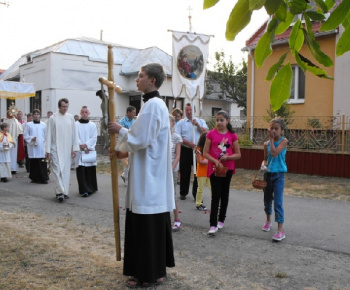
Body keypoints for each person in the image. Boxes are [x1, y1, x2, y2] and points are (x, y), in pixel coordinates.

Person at [107, 63, 175, 288]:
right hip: (148, 171)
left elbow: (142, 138)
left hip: (150, 178)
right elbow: (147, 142)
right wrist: (122, 152)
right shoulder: (153, 105)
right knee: (148, 224)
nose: (137, 79)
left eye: (141, 76)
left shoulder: (154, 105)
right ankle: (152, 270)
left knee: (147, 224)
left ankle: (147, 273)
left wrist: (120, 130)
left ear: (152, 80)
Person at [203, 110, 241, 235]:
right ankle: (212, 224)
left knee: (225, 194)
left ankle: (221, 220)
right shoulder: (210, 134)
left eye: (222, 120)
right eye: (217, 120)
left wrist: (228, 157)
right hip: (214, 169)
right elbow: (205, 153)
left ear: (227, 121)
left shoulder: (232, 135)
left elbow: (238, 154)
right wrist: (215, 161)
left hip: (227, 168)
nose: (219, 122)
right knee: (215, 195)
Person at [45, 98, 79, 202]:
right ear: (59, 107)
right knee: (56, 170)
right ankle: (60, 191)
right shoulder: (53, 118)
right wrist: (48, 150)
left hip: (67, 148)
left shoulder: (70, 118)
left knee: (65, 171)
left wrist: (74, 148)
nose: (65, 108)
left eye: (66, 106)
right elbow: (49, 134)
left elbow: (74, 134)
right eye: (63, 106)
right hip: (55, 148)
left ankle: (64, 192)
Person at [260, 117, 288, 242]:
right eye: (272, 128)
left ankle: (280, 230)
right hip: (268, 175)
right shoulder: (265, 144)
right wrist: (263, 164)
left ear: (281, 130)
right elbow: (266, 158)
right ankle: (268, 220)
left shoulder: (284, 141)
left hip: (279, 175)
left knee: (278, 202)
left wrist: (271, 140)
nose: (274, 131)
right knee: (267, 200)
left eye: (276, 129)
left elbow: (275, 153)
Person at [175, 103, 208, 200]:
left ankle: (196, 194)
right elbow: (178, 136)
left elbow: (206, 133)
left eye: (190, 110)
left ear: (194, 111)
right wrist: (188, 143)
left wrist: (197, 125)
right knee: (185, 171)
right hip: (186, 149)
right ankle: (183, 192)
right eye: (187, 110)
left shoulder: (200, 121)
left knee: (197, 172)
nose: (189, 112)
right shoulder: (181, 123)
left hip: (198, 150)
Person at [75, 106, 98, 197]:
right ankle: (84, 189)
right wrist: (82, 145)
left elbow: (94, 137)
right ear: (80, 113)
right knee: (81, 170)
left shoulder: (92, 125)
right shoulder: (76, 124)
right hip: (80, 150)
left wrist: (87, 145)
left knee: (90, 169)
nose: (84, 114)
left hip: (89, 150)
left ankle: (91, 188)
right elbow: (75, 136)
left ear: (89, 113)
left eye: (86, 112)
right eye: (83, 112)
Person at [24, 109, 49, 184]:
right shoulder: (29, 124)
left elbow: (46, 135)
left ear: (39, 115)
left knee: (42, 162)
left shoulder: (43, 125)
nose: (36, 115)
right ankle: (34, 177)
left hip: (41, 145)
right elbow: (25, 134)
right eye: (34, 114)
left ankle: (43, 178)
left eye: (37, 114)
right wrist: (31, 138)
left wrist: (45, 143)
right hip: (32, 145)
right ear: (33, 116)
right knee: (34, 162)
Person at [169, 115, 182, 231]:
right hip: (161, 170)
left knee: (172, 194)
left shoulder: (176, 137)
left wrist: (172, 168)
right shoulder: (160, 137)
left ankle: (176, 219)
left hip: (172, 170)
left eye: (168, 122)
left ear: (173, 123)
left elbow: (177, 156)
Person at [118, 106, 136, 185]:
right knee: (126, 161)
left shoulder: (135, 121)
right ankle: (127, 177)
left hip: (132, 143)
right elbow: (121, 134)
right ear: (128, 112)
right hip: (124, 143)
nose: (134, 114)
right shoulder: (122, 122)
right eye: (133, 112)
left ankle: (125, 175)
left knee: (131, 160)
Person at [5, 104, 23, 174]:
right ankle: (13, 168)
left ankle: (8, 168)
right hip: (15, 140)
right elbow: (20, 131)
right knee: (13, 155)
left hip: (7, 140)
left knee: (7, 154)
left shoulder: (7, 121)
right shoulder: (17, 121)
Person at [195, 132, 211, 211]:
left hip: (209, 171)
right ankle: (198, 204)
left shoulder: (209, 149)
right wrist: (210, 161)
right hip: (201, 172)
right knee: (200, 188)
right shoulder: (199, 149)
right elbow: (200, 161)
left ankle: (215, 202)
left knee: (213, 188)